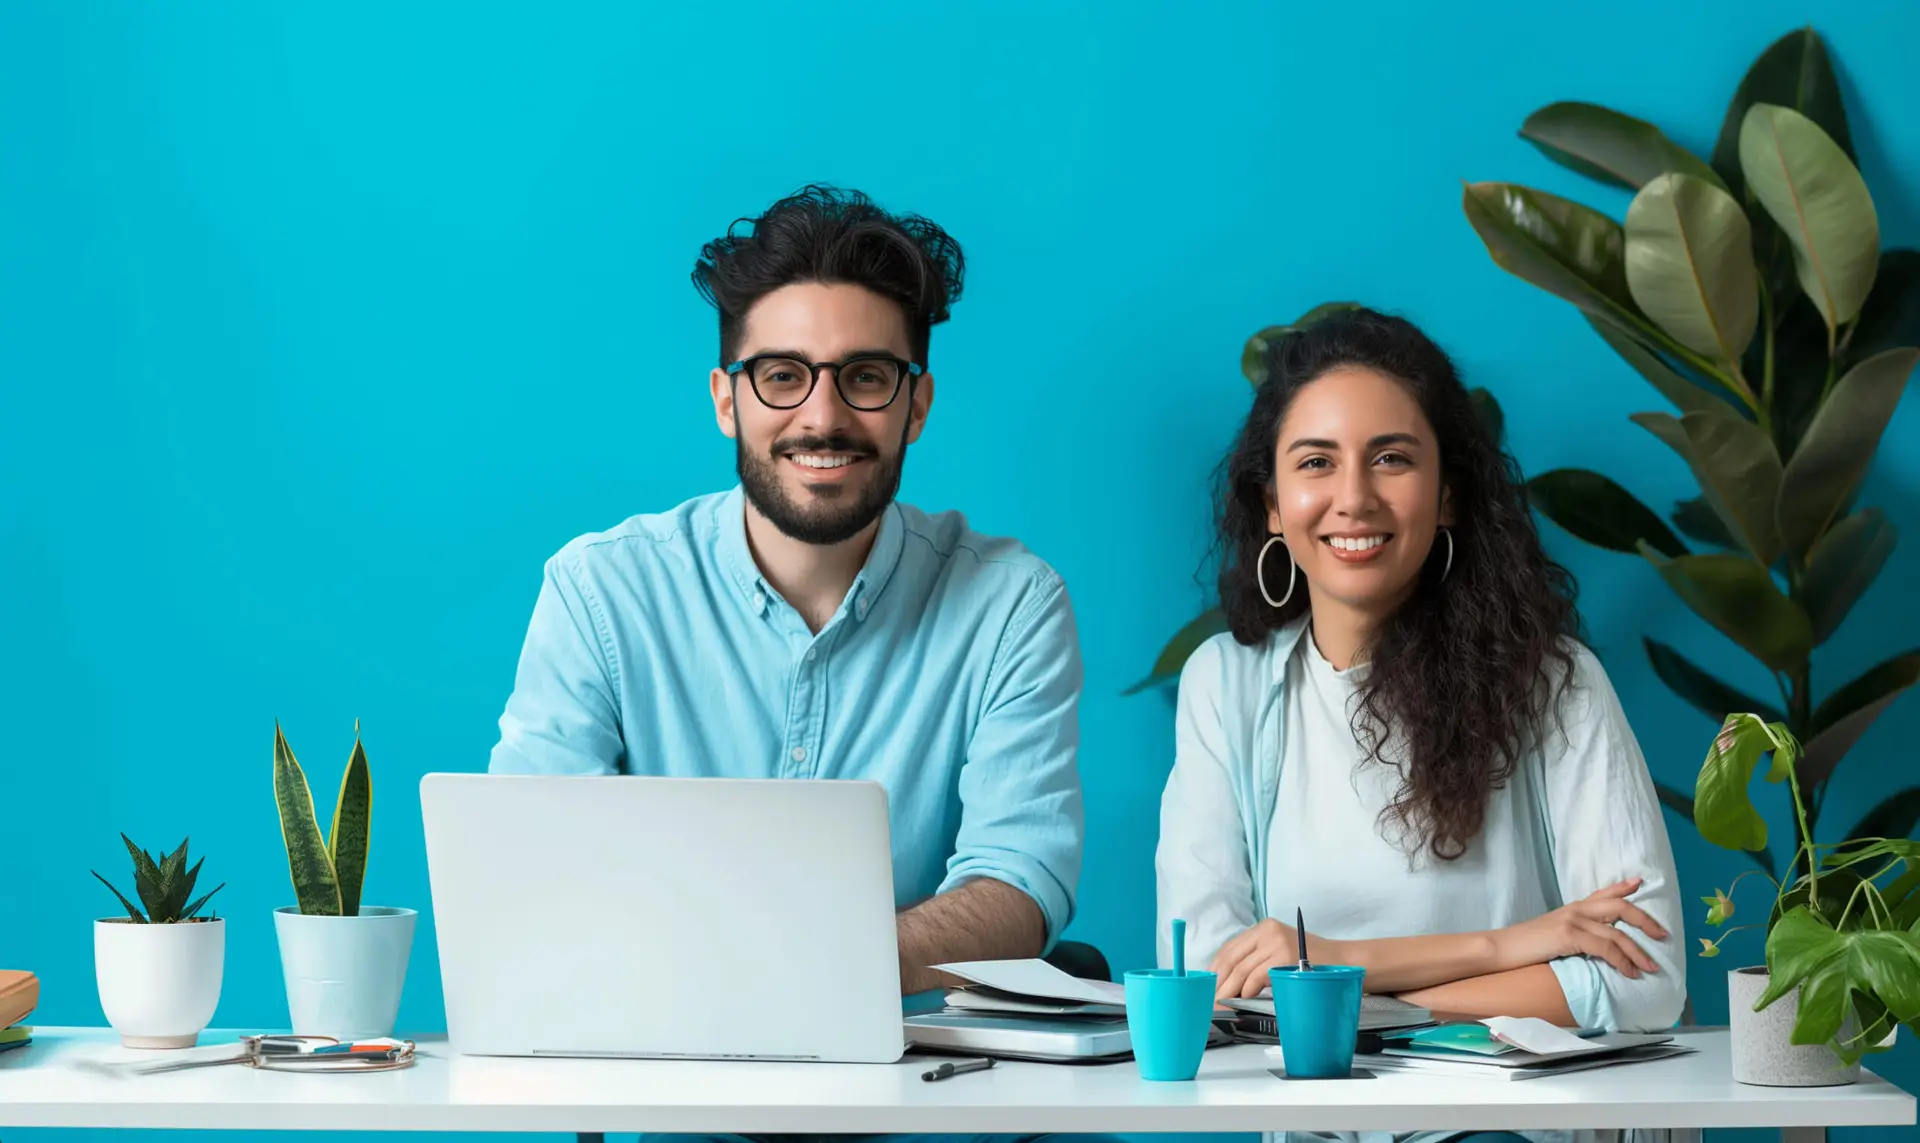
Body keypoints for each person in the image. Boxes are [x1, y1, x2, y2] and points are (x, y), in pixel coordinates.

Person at [487, 185, 1086, 1000]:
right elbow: (536, 867)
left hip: (924, 1103)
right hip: (677, 1096)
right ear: (726, 400)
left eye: (867, 376)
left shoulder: (1010, 605)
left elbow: (1021, 885)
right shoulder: (600, 592)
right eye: (782, 375)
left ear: (916, 406)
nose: (822, 415)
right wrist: (802, 961)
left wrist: (777, 963)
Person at [1155, 307, 1687, 1143]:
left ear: (1445, 497)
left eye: (1392, 458)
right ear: (1271, 504)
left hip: (1517, 1130)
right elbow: (1212, 979)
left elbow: (1645, 980)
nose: (1354, 498)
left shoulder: (1555, 683)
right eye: (1316, 462)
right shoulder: (1224, 683)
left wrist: (1344, 971)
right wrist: (1508, 948)